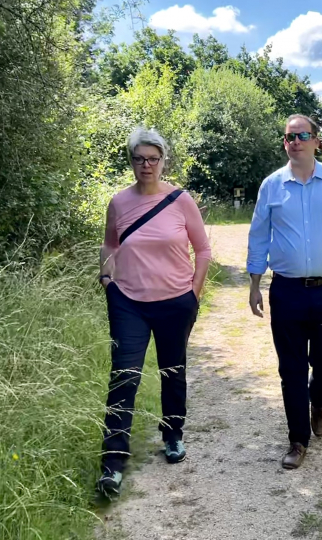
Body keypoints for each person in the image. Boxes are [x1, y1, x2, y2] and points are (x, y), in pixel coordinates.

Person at [247, 114, 322, 470]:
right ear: (284, 143)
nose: (295, 141)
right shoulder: (272, 186)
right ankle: (297, 439)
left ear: (317, 141)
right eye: (289, 137)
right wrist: (254, 283)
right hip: (286, 291)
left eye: (302, 135)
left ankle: (319, 400)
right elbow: (258, 235)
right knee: (292, 368)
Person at [96, 127, 211, 497]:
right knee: (124, 377)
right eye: (138, 158)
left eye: (153, 158)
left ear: (163, 161)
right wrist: (106, 277)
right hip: (128, 301)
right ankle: (112, 464)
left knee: (172, 371)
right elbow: (110, 244)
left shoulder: (180, 200)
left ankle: (173, 434)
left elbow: (203, 250)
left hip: (175, 301)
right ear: (130, 161)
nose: (146, 165)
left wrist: (193, 294)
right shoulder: (119, 202)